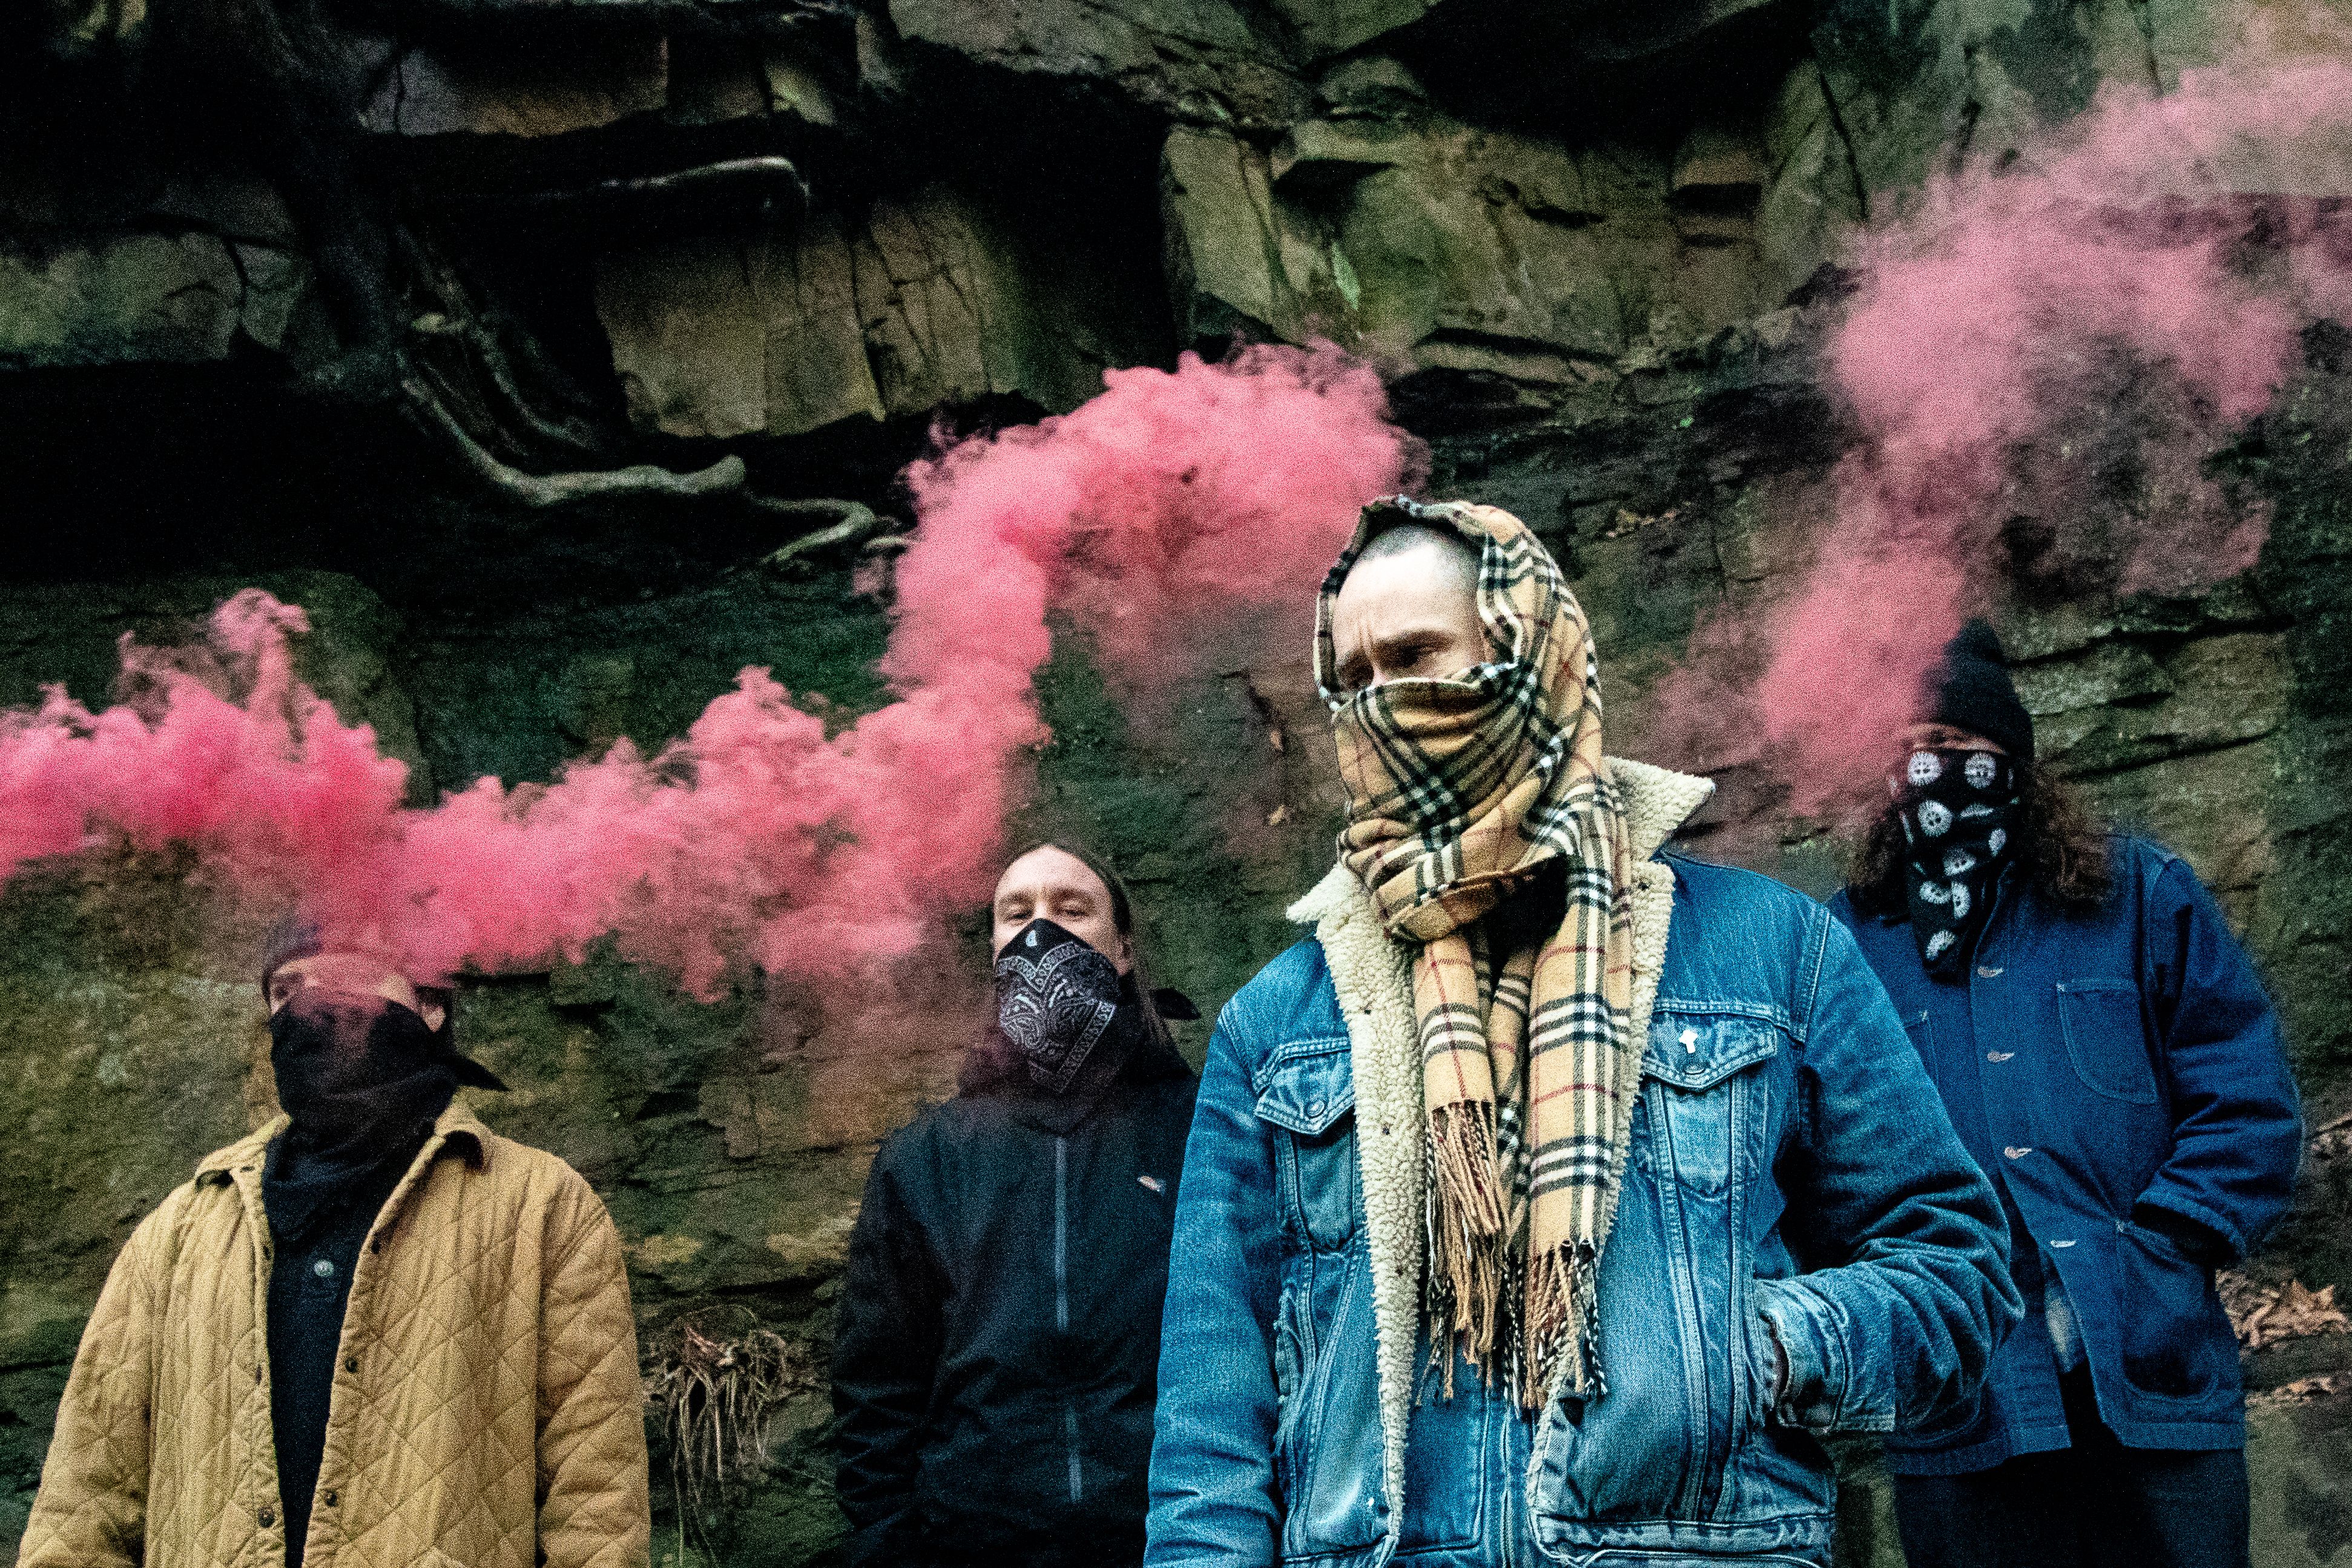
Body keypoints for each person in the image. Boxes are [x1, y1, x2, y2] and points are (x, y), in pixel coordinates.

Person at [1145, 496, 2020, 1568]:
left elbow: (1955, 1264)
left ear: (1530, 657)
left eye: (1417, 655)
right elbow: (1210, 1427)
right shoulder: (1277, 1023)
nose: (1382, 708)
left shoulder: (1773, 953)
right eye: (1355, 678)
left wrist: (1762, 1348)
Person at [1830, 621, 2303, 1568]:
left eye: (1957, 752)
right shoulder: (1845, 945)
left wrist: (2162, 1253)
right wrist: (1899, 1304)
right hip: (1965, 1398)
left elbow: (2247, 1097)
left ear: (2015, 763)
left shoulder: (2138, 894)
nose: (1930, 775)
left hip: (2150, 1376)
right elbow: (1821, 1158)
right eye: (1907, 751)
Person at [18, 916, 651, 1568]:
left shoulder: (543, 1207)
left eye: (346, 980)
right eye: (286, 990)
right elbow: (82, 1505)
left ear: (429, 1005)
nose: (311, 1011)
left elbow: (597, 1507)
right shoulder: (181, 1228)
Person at [833, 842, 1202, 1568]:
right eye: (1017, 912)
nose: (1043, 931)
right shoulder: (925, 1157)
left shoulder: (1201, 1128)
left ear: (1123, 947)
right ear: (995, 948)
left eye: (1072, 909)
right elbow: (877, 1391)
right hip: (976, 1546)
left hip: (1177, 1539)